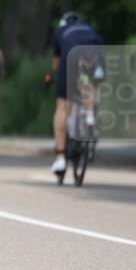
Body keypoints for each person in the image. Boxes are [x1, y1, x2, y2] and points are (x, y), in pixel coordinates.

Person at [50, 12, 104, 175]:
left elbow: (56, 65)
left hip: (71, 53)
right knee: (89, 85)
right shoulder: (90, 30)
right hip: (93, 52)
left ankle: (60, 159)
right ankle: (89, 116)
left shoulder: (60, 32)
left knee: (62, 106)